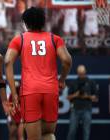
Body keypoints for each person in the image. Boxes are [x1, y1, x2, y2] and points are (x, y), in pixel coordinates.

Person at [5, 7, 72, 140]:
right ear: (43, 22)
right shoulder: (55, 38)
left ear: (25, 23)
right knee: (48, 134)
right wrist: (62, 79)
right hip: (50, 90)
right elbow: (66, 61)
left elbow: (7, 62)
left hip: (30, 91)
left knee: (33, 137)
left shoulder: (20, 39)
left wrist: (14, 93)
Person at [67, 65, 98, 140]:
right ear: (77, 73)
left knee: (86, 131)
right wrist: (76, 95)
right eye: (80, 74)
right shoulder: (73, 82)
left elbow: (96, 98)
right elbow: (68, 97)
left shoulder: (91, 82)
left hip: (87, 109)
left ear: (85, 72)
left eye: (82, 73)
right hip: (75, 109)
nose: (81, 75)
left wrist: (87, 96)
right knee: (72, 130)